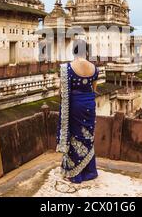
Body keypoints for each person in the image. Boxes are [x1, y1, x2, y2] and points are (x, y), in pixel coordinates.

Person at [56, 39, 99, 183]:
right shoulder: (94, 68)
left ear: (74, 50)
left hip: (75, 106)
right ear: (86, 51)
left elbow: (62, 92)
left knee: (74, 136)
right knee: (88, 137)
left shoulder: (68, 68)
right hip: (89, 105)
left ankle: (76, 174)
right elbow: (94, 90)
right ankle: (90, 171)